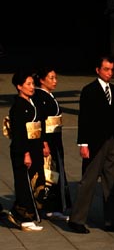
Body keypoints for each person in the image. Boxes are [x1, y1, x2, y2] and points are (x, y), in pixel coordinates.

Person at [69, 55, 114, 234]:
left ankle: (112, 219)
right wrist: (83, 144)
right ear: (98, 70)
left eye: (112, 70)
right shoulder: (89, 90)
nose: (109, 73)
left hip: (113, 141)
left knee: (112, 181)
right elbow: (84, 118)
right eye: (106, 69)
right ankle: (77, 219)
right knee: (89, 181)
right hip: (94, 142)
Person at [5, 69, 45, 232]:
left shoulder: (32, 103)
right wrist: (25, 153)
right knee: (24, 183)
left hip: (35, 145)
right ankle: (20, 214)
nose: (31, 87)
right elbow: (19, 133)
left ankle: (27, 212)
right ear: (19, 87)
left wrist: (43, 144)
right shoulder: (18, 107)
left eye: (32, 84)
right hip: (23, 149)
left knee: (34, 181)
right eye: (28, 84)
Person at [34, 66, 71, 220]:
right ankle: (48, 206)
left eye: (55, 78)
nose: (55, 81)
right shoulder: (40, 97)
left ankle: (54, 207)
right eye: (51, 78)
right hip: (48, 139)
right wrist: (44, 143)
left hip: (55, 138)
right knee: (49, 173)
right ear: (42, 80)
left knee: (55, 172)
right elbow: (40, 122)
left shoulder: (48, 95)